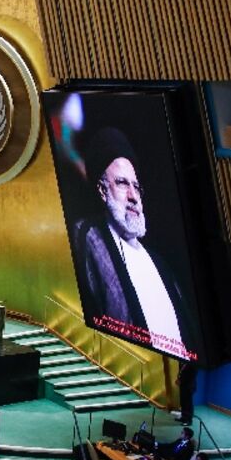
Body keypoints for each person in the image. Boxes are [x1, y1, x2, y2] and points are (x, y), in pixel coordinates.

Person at [70, 128, 194, 359]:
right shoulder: (88, 239)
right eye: (122, 183)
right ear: (102, 190)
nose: (133, 196)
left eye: (136, 186)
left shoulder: (159, 264)